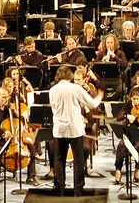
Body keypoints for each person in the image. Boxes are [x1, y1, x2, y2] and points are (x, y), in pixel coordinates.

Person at [50, 65, 103, 195]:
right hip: (75, 128)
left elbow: (53, 108)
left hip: (59, 129)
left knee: (59, 159)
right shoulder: (76, 88)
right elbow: (92, 104)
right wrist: (100, 95)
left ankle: (59, 189)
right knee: (78, 159)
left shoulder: (52, 90)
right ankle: (78, 190)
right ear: (70, 76)